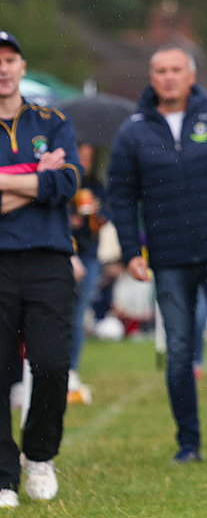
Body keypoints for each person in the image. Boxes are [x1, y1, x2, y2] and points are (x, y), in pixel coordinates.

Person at [107, 46, 207, 464]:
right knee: (180, 348)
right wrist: (132, 250)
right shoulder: (132, 131)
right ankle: (188, 443)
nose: (168, 77)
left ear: (191, 75)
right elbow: (120, 195)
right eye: (160, 71)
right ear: (151, 78)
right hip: (167, 257)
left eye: (175, 70)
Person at [0, 30, 82, 508]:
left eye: (10, 59)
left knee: (51, 363)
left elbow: (67, 180)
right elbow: (49, 179)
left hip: (49, 258)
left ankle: (40, 456)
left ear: (22, 66)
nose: (3, 68)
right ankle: (3, 476)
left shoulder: (51, 121)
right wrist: (35, 176)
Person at [68, 142, 109, 403]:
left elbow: (105, 217)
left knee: (78, 316)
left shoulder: (95, 184)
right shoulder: (65, 180)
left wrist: (96, 213)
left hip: (89, 254)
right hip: (64, 253)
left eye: (89, 156)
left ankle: (72, 371)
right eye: (81, 155)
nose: (85, 160)